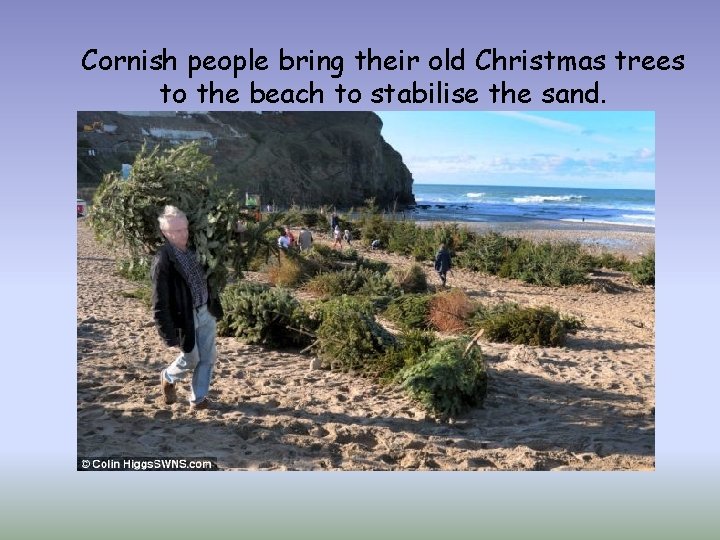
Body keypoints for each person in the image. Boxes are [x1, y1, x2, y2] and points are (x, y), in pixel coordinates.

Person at [152, 206, 223, 410]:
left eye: (184, 229)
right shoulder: (163, 260)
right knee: (191, 359)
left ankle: (198, 399)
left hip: (206, 309)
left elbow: (223, 248)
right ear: (165, 233)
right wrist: (168, 334)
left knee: (208, 357)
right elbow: (159, 301)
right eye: (176, 231)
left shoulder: (196, 247)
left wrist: (238, 233)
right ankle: (168, 376)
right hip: (185, 317)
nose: (182, 234)